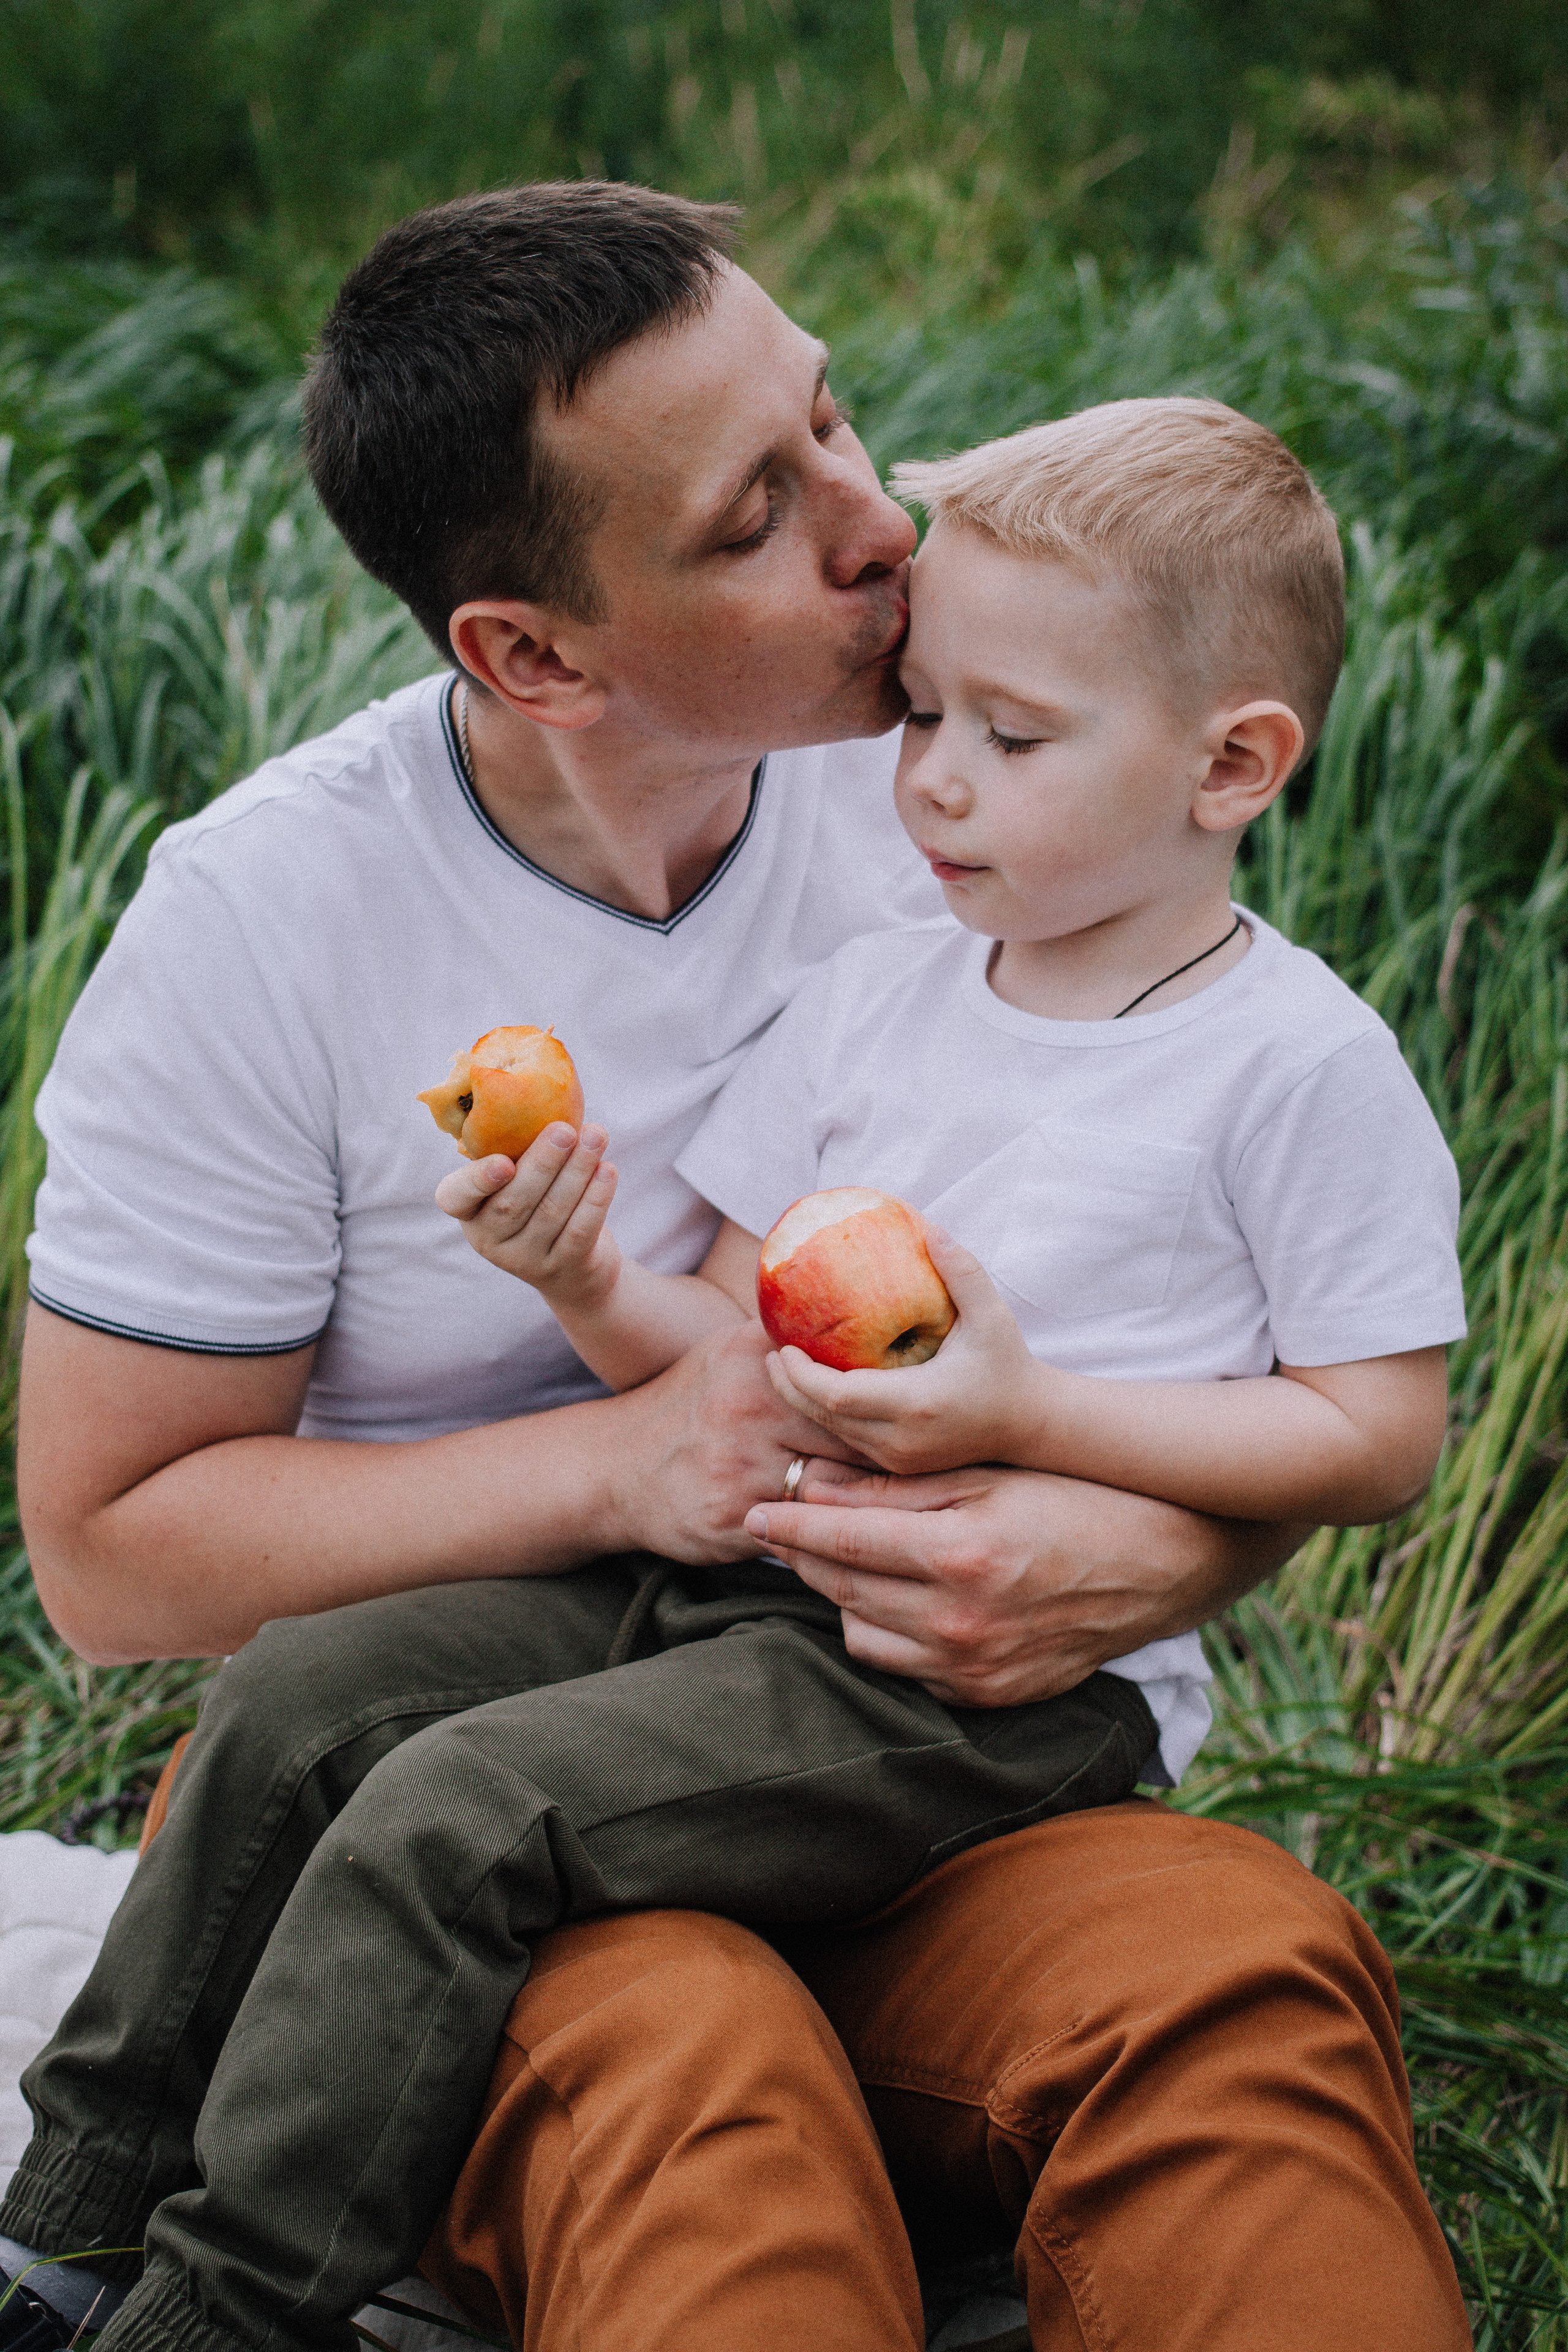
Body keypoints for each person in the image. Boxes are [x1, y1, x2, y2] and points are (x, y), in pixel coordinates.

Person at [0, 184, 1472, 2352]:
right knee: (705, 2098)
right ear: (534, 653)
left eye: (840, 419)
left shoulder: (1000, 769)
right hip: (522, 1744)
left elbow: (1218, 1328)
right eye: (754, 517)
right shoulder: (262, 930)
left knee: (1235, 1994)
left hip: (950, 1751)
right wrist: (622, 1463)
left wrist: (1164, 1558)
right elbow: (113, 1558)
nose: (880, 530)